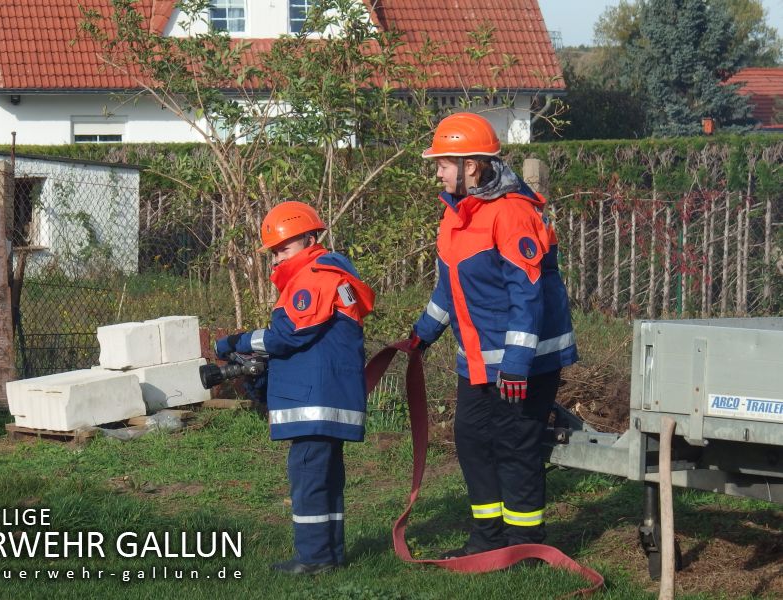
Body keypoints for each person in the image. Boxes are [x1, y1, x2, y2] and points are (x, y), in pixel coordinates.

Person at [408, 113, 577, 557]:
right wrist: (422, 336)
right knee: (470, 438)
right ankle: (488, 537)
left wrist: (517, 365)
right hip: (480, 358)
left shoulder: (513, 212)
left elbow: (528, 295)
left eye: (444, 163)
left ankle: (523, 544)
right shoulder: (455, 216)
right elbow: (449, 289)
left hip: (526, 359)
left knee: (513, 443)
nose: (438, 171)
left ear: (472, 166)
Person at [214, 201, 375, 574]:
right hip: (328, 397)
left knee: (308, 476)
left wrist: (235, 342)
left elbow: (287, 336)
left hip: (314, 402)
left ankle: (313, 559)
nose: (275, 260)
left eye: (283, 249)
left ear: (310, 239)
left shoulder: (314, 277)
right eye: (273, 252)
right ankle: (330, 554)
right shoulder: (333, 275)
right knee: (326, 478)